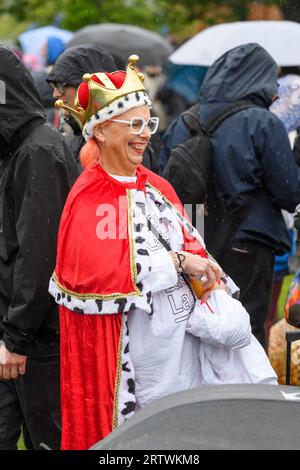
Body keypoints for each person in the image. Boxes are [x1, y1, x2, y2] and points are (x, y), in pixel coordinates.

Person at [50, 54, 277, 450]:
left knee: (189, 431)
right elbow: (97, 274)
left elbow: (191, 238)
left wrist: (207, 274)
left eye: (148, 123)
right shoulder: (88, 196)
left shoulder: (156, 185)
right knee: (147, 437)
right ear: (100, 131)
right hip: (137, 357)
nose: (145, 135)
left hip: (184, 347)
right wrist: (176, 262)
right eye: (134, 125)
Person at [161, 43, 300, 349]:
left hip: (193, 244)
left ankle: (202, 396)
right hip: (249, 246)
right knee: (245, 329)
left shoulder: (183, 121)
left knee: (196, 326)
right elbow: (289, 192)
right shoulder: (263, 123)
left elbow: (163, 181)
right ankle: (245, 396)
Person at [0, 46, 78, 450]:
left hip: (38, 338)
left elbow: (39, 253)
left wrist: (17, 337)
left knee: (47, 439)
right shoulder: (19, 147)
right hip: (22, 329)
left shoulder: (38, 151)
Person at [47, 44, 118, 170]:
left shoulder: (122, 144)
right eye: (53, 86)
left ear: (89, 88)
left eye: (61, 85)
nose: (55, 94)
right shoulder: (76, 135)